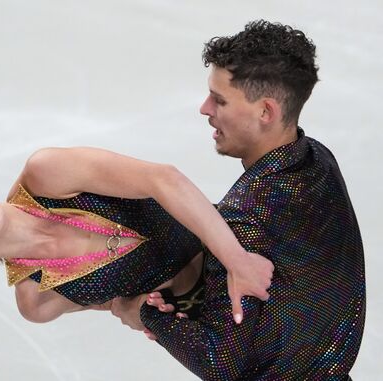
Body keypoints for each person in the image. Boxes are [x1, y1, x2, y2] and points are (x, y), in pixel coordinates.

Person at [111, 20, 366, 380]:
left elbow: (220, 362)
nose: (204, 108)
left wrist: (144, 313)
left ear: (266, 112)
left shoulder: (242, 222)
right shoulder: (317, 159)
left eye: (220, 99)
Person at [0, 147, 274, 324]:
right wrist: (137, 315)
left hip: (245, 241)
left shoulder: (47, 175)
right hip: (220, 317)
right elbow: (125, 306)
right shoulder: (37, 301)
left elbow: (162, 179)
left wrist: (237, 260)